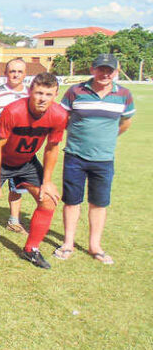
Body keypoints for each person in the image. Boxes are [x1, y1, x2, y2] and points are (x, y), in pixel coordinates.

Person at [0, 72, 67, 269]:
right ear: (30, 91)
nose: (42, 98)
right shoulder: (13, 111)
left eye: (48, 94)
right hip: (2, 160)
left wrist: (47, 181)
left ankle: (31, 249)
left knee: (48, 200)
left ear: (55, 95)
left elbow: (52, 148)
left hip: (27, 162)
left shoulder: (59, 115)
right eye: (39, 93)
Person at [55, 54, 134, 265]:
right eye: (101, 69)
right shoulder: (75, 91)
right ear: (92, 69)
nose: (105, 74)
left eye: (110, 70)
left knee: (98, 203)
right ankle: (68, 243)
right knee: (72, 201)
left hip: (104, 159)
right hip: (75, 156)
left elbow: (125, 123)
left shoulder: (124, 94)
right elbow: (63, 118)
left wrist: (106, 138)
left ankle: (95, 246)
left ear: (116, 72)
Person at [0, 58, 30, 233]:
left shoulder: (30, 94)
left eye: (19, 71)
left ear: (25, 74)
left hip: (21, 150)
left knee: (17, 187)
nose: (16, 75)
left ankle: (14, 220)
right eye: (12, 71)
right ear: (5, 73)